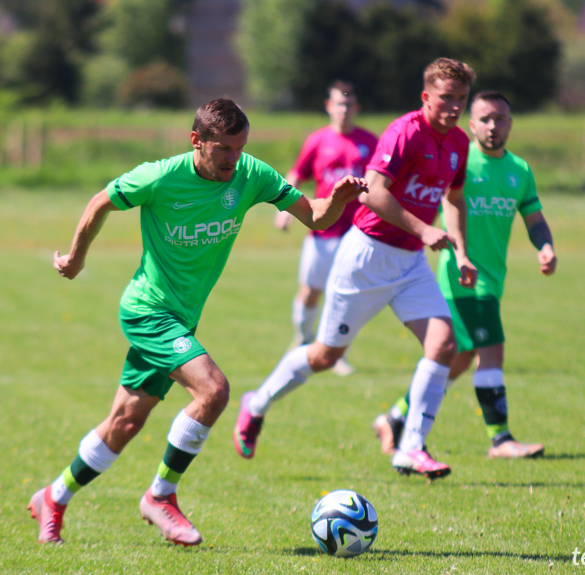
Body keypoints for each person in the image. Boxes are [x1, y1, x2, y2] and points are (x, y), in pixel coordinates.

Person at [27, 98, 368, 546]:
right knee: (214, 390)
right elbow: (100, 203)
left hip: (181, 318)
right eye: (224, 148)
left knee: (125, 422)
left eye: (240, 147)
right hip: (148, 311)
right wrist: (75, 259)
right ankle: (160, 496)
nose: (233, 158)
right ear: (197, 141)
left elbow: (316, 216)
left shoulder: (252, 175)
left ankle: (52, 498)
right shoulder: (161, 176)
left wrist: (338, 200)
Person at [233, 58, 478, 480]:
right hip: (366, 257)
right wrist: (423, 229)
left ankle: (411, 447)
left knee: (443, 344)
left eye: (461, 99)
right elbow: (372, 195)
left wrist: (460, 250)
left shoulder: (459, 142)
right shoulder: (405, 133)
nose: (454, 107)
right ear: (426, 97)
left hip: (409, 264)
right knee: (326, 356)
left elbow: (454, 198)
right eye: (446, 98)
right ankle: (256, 404)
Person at [372, 90, 557, 460]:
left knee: (457, 357)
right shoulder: (459, 162)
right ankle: (501, 440)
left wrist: (545, 246)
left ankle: (394, 417)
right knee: (491, 351)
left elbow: (534, 218)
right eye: (485, 119)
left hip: (494, 279)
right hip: (462, 276)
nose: (493, 126)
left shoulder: (519, 170)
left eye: (500, 118)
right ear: (471, 124)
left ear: (510, 124)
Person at [275, 80, 378, 376]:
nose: (343, 110)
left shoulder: (370, 142)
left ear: (356, 108)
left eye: (349, 104)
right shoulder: (318, 140)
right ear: (328, 106)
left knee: (343, 294)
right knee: (310, 292)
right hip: (321, 233)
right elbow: (296, 174)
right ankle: (303, 339)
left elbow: (382, 183)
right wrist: (284, 210)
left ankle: (334, 351)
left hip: (356, 234)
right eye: (338, 104)